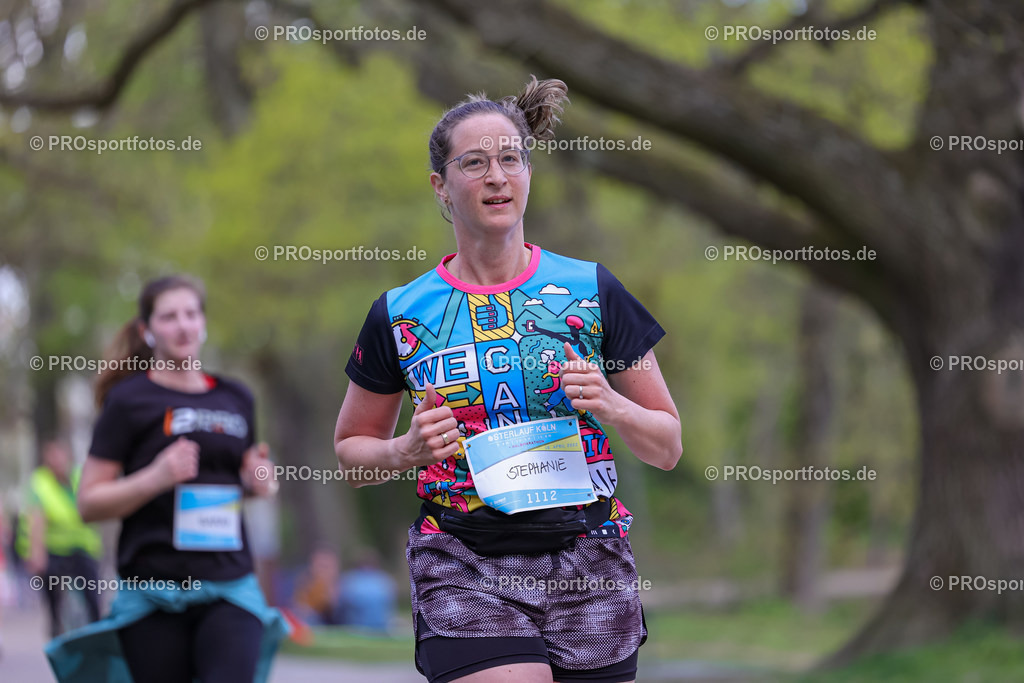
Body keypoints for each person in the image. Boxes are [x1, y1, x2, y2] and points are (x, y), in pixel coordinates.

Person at [334, 76, 682, 683]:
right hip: (462, 558)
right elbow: (351, 455)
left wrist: (613, 405)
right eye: (474, 163)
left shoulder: (592, 291)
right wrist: (404, 450)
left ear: (527, 174)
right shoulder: (401, 312)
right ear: (441, 186)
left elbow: (668, 445)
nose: (496, 176)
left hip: (588, 558)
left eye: (510, 159)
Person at [45, 275, 289, 683]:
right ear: (148, 330)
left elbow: (254, 472)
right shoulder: (129, 401)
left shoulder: (235, 397)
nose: (183, 325)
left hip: (229, 584)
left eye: (191, 314)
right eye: (169, 316)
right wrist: (155, 477)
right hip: (153, 591)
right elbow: (88, 502)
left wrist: (262, 480)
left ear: (203, 323)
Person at [16, 439, 103, 637]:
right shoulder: (40, 483)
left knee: (93, 599)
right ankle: (58, 637)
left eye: (60, 455)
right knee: (55, 602)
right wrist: (36, 554)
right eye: (52, 456)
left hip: (83, 548)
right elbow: (35, 518)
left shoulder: (79, 476)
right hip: (54, 550)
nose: (57, 461)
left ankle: (97, 637)